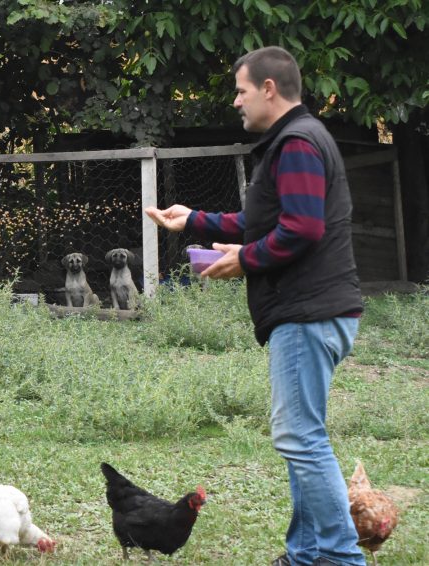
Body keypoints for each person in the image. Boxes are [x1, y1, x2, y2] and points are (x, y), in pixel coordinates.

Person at [145, 46, 365, 566]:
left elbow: (302, 229)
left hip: (306, 311)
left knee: (300, 438)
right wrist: (193, 220)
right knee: (301, 440)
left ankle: (339, 557)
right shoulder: (297, 141)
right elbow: (262, 222)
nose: (237, 101)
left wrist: (247, 260)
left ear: (269, 89)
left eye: (241, 90)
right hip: (314, 309)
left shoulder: (297, 143)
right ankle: (306, 555)